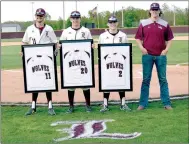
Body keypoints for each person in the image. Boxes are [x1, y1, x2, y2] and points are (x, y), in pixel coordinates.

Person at [135, 3, 174, 110]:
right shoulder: (143, 23)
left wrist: (166, 50)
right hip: (147, 55)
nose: (155, 12)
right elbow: (137, 38)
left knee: (163, 79)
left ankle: (166, 103)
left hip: (160, 56)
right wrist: (141, 48)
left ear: (159, 11)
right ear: (150, 11)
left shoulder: (165, 24)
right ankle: (142, 104)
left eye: (156, 10)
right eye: (153, 10)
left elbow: (170, 39)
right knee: (146, 79)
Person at [21, 8, 58, 115]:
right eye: (38, 16)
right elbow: (24, 42)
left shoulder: (49, 29)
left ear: (44, 17)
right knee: (34, 82)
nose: (39, 18)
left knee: (48, 82)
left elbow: (55, 42)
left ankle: (50, 106)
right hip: (34, 61)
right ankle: (33, 106)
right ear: (35, 16)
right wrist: (23, 52)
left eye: (41, 16)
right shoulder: (29, 29)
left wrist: (55, 52)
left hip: (47, 61)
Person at [59, 11, 94, 113]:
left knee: (85, 84)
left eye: (77, 18)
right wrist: (60, 46)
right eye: (73, 18)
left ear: (80, 19)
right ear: (70, 19)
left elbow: (90, 44)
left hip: (83, 61)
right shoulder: (66, 32)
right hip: (70, 62)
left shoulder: (86, 31)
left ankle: (88, 105)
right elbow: (61, 44)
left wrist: (92, 46)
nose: (75, 20)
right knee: (71, 85)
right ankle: (71, 106)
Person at [98, 15, 131, 113]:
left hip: (119, 63)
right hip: (107, 64)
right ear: (108, 24)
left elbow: (127, 50)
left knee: (121, 82)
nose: (112, 24)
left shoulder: (123, 35)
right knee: (106, 83)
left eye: (114, 22)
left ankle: (123, 103)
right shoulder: (102, 36)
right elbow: (100, 50)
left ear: (117, 23)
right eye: (110, 22)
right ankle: (105, 104)